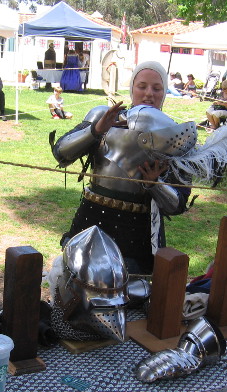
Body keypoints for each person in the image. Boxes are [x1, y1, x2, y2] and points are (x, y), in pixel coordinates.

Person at [52, 61, 191, 274]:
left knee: (132, 296)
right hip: (92, 218)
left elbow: (177, 204)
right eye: (142, 86)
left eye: (157, 88)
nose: (149, 94)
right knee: (77, 290)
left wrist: (154, 185)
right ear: (132, 88)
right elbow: (61, 153)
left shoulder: (175, 135)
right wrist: (95, 130)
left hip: (138, 231)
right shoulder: (105, 117)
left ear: (165, 92)